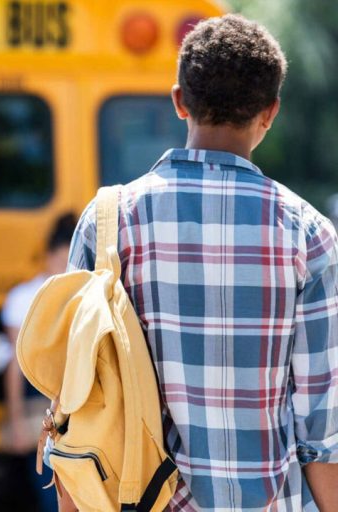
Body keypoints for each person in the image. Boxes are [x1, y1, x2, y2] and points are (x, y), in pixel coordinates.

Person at [67, 15, 338, 510]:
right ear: (271, 112)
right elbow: (322, 424)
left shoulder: (109, 222)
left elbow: (76, 398)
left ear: (179, 101)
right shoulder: (309, 235)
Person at [1, 212, 77, 512]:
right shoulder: (24, 297)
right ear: (47, 255)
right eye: (61, 258)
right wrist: (16, 421)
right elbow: (16, 364)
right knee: (52, 494)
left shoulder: (86, 293)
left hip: (78, 409)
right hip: (44, 415)